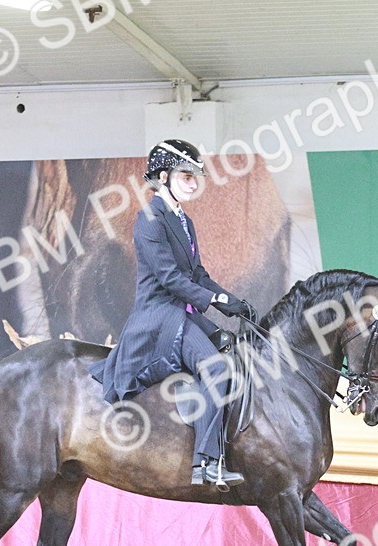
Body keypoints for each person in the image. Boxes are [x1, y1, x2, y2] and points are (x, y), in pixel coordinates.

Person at [89, 139, 255, 488]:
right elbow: (170, 278)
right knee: (216, 368)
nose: (194, 184)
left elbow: (197, 275)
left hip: (183, 313)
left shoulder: (184, 221)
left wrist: (232, 300)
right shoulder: (150, 219)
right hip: (160, 317)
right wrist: (216, 301)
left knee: (233, 350)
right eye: (186, 177)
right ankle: (206, 462)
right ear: (163, 177)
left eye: (196, 178)